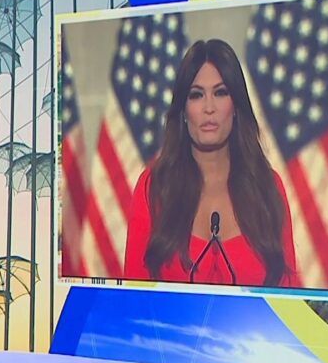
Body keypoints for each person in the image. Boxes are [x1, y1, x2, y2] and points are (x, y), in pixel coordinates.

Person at [123, 38, 299, 288]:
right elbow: (132, 296)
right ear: (183, 111)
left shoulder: (267, 186)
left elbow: (288, 291)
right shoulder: (154, 188)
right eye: (196, 95)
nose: (209, 108)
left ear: (236, 105)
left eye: (220, 93)